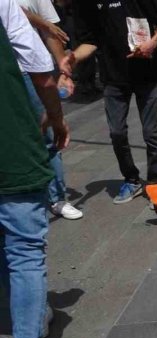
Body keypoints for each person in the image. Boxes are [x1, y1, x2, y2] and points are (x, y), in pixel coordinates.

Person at [1, 0, 69, 338]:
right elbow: (40, 69)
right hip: (8, 144)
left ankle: (30, 315)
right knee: (24, 250)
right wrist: (56, 120)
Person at [67, 0, 157, 204]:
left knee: (151, 133)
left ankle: (156, 182)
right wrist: (73, 58)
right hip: (113, 76)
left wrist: (152, 43)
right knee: (117, 132)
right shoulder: (85, 4)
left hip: (146, 74)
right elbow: (89, 41)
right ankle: (131, 179)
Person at [17, 0, 83, 219]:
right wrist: (42, 22)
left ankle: (57, 198)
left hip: (30, 70)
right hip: (10, 71)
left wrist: (63, 71)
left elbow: (51, 32)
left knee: (46, 134)